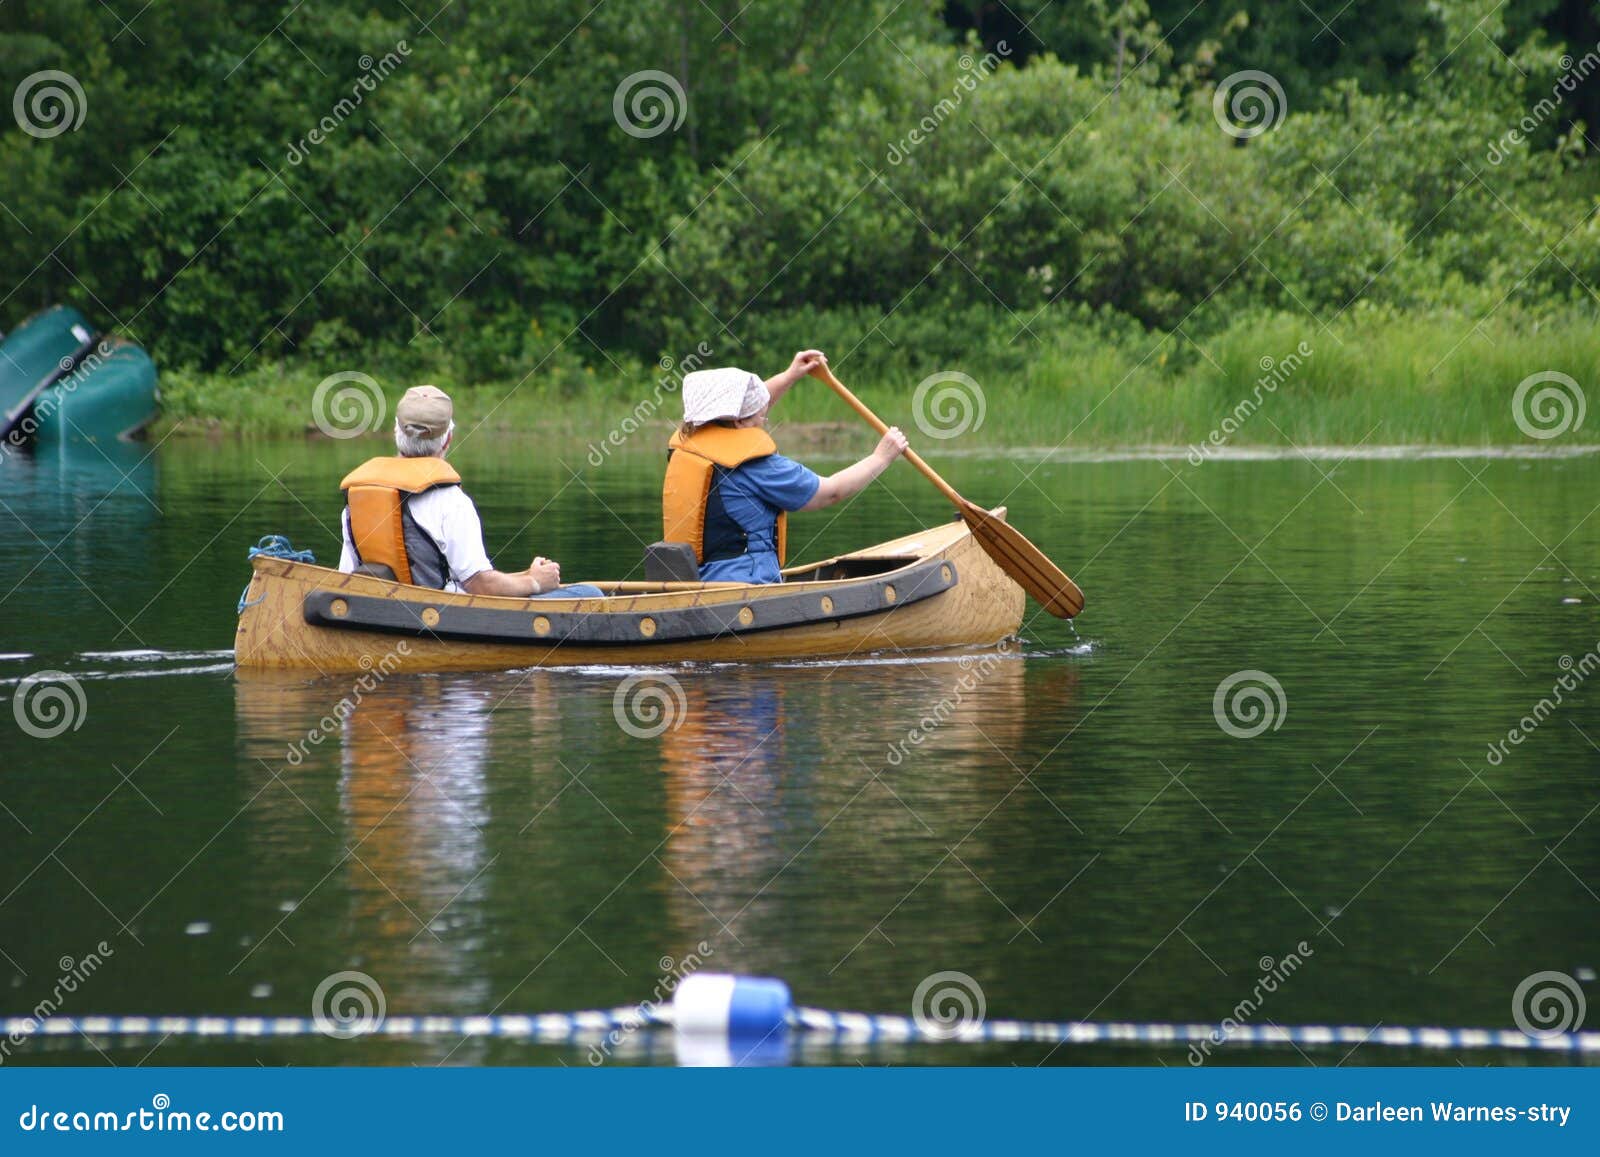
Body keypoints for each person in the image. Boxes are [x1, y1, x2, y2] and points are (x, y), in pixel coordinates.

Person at [662, 351, 910, 584]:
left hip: (699, 581)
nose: (765, 421)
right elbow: (831, 492)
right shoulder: (758, 466)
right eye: (762, 418)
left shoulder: (689, 442)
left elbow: (745, 409)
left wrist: (791, 375)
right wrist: (881, 457)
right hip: (745, 587)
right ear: (738, 421)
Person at [339, 385, 603, 598]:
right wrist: (535, 583)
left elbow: (347, 578)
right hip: (446, 618)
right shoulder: (451, 502)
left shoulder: (358, 500)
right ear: (448, 439)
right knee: (590, 593)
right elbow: (480, 586)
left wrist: (527, 576)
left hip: (387, 614)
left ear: (396, 431)